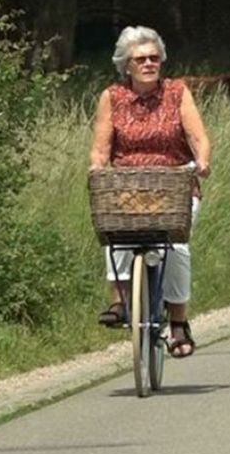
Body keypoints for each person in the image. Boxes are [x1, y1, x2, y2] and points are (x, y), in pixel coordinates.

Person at [89, 26, 212, 358]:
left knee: (177, 244)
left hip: (175, 184)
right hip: (128, 185)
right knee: (114, 229)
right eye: (140, 59)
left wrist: (201, 161)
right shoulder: (112, 97)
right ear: (126, 65)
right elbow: (101, 147)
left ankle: (178, 323)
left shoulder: (177, 93)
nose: (148, 64)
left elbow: (198, 136)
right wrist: (98, 168)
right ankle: (119, 300)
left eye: (154, 58)